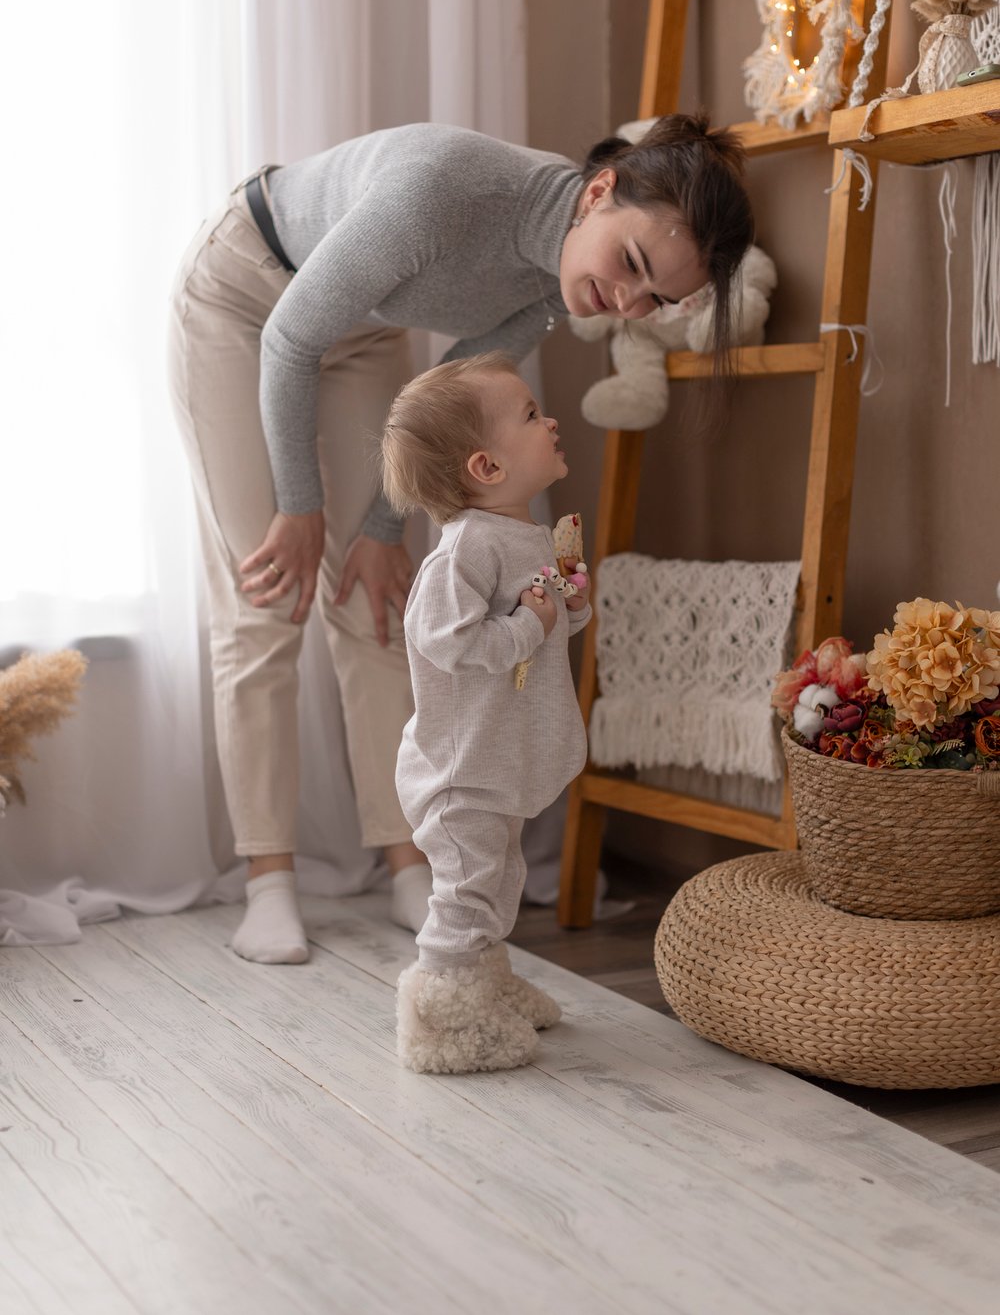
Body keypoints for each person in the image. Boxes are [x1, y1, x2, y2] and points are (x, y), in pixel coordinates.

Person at [167, 114, 753, 966]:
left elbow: (445, 421)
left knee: (375, 599)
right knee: (268, 595)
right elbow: (292, 336)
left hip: (360, 330)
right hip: (246, 293)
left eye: (658, 300)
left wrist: (376, 529)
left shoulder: (560, 281)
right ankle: (269, 882)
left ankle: (413, 861)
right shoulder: (441, 188)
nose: (629, 305)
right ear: (598, 193)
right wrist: (302, 510)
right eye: (631, 266)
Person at [381, 353, 591, 1073]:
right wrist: (533, 624)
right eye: (532, 415)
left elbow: (536, 629)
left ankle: (485, 981)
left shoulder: (521, 535)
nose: (550, 420)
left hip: (498, 757)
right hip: (462, 769)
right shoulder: (463, 551)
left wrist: (567, 605)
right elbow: (448, 641)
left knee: (500, 882)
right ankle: (440, 1017)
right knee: (467, 890)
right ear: (487, 467)